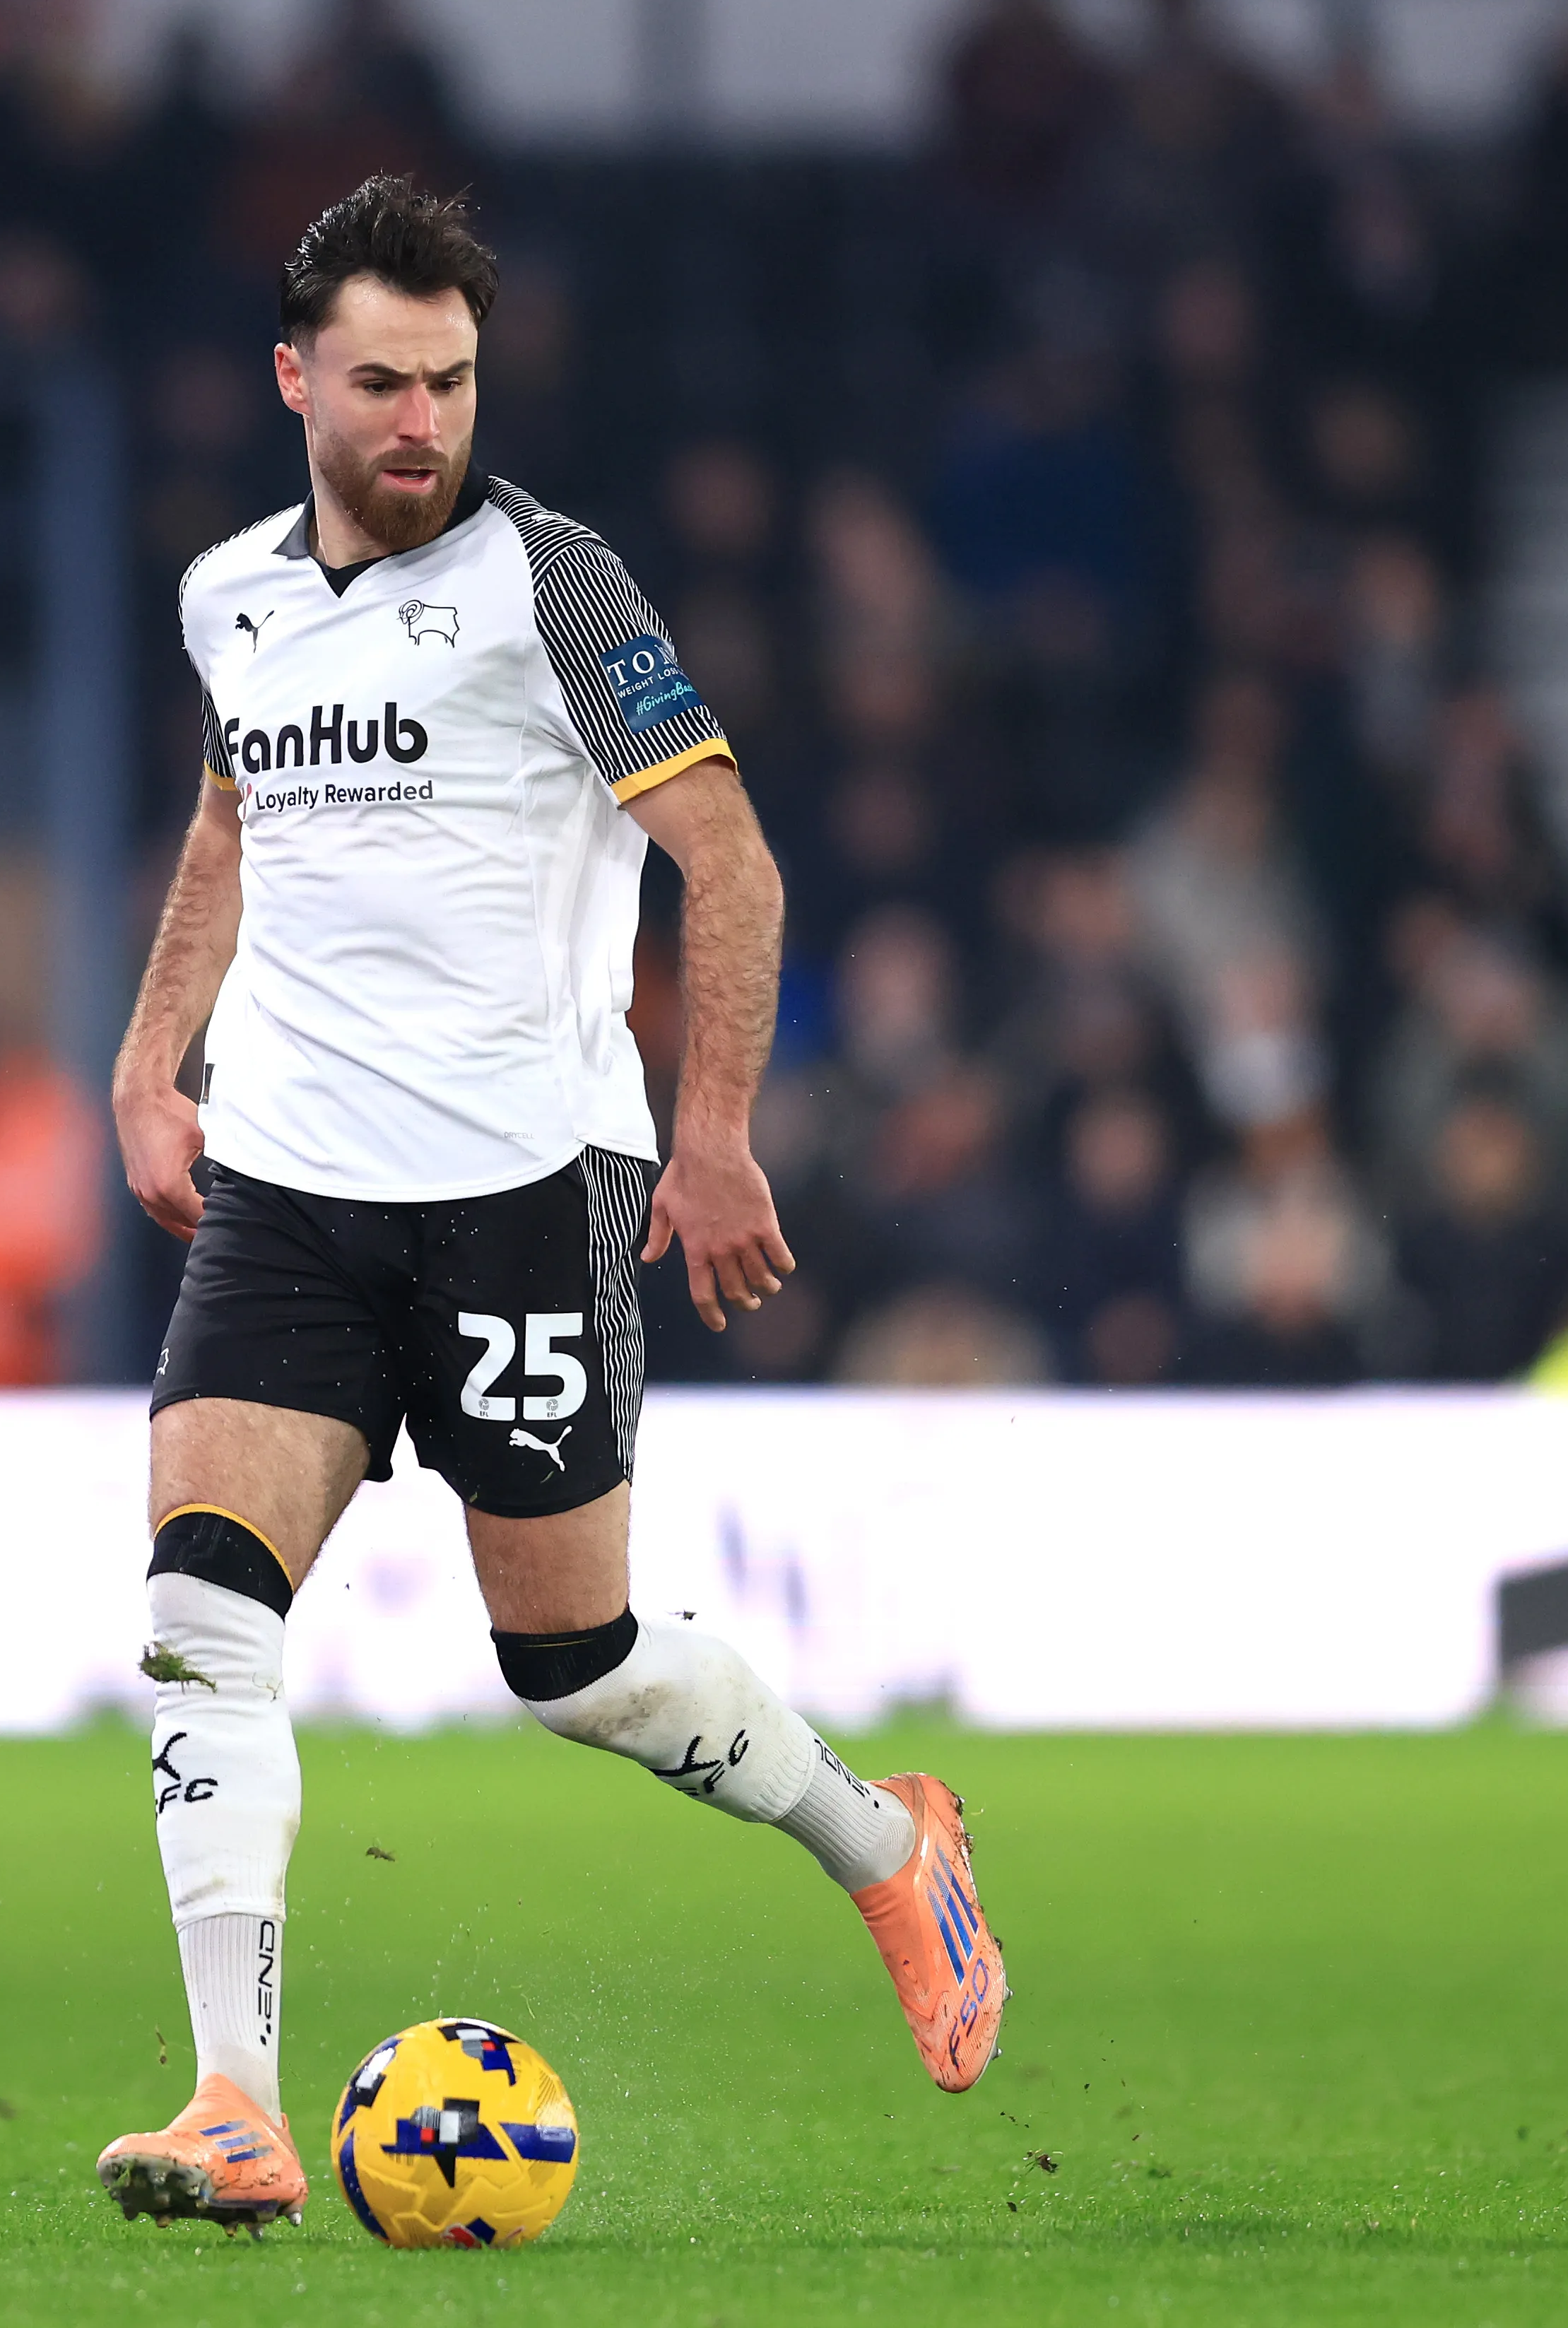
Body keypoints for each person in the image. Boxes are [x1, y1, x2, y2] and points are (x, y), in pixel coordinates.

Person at [94, 179, 1008, 2231]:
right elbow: (234, 814)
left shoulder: (554, 588)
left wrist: (716, 1134)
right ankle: (234, 2098)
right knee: (197, 1623)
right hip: (291, 1188)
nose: (424, 421)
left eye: (454, 382)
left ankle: (885, 1844)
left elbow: (737, 865)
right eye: (386, 383)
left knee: (573, 1660)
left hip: (526, 1184)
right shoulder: (228, 594)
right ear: (294, 380)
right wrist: (157, 1061)